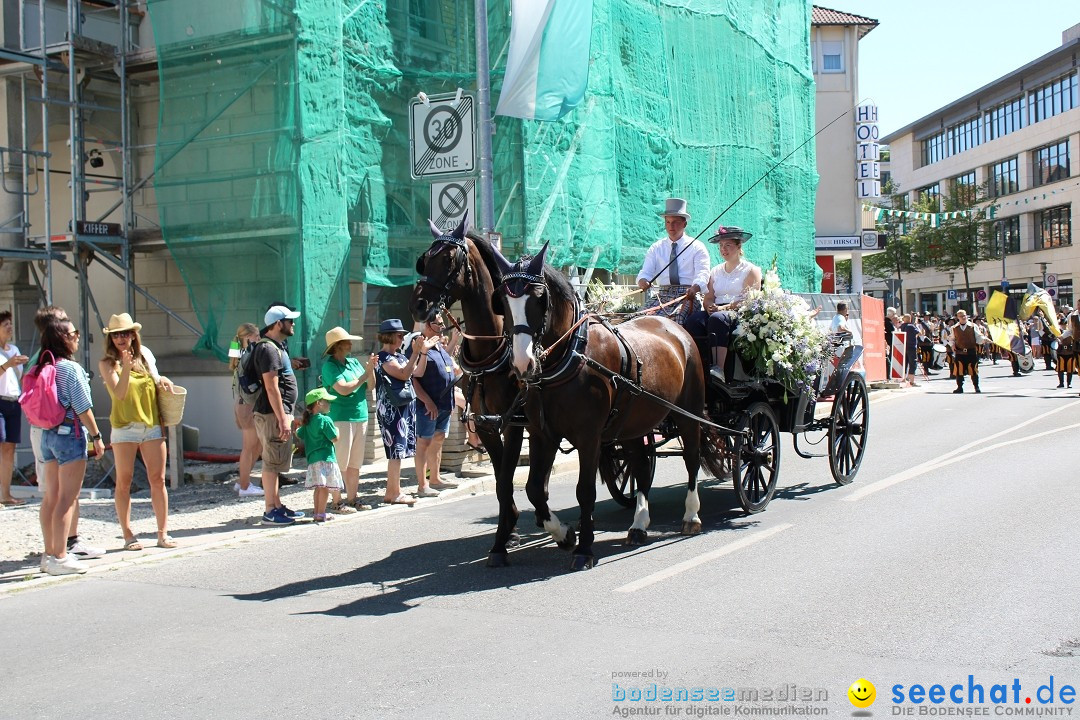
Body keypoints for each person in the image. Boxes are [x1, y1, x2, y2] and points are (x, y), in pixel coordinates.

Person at [28, 306, 103, 568]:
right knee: (67, 499)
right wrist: (96, 436)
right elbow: (83, 407)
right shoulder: (70, 369)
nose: (77, 336)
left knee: (51, 497)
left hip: (47, 435)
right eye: (73, 333)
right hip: (69, 435)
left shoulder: (42, 366)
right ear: (63, 338)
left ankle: (49, 554)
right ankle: (60, 556)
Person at [99, 313, 177, 550]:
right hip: (124, 427)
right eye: (116, 335)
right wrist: (125, 366)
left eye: (125, 333)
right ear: (111, 339)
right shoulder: (107, 363)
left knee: (158, 479)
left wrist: (163, 379)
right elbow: (120, 393)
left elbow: (154, 378)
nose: (121, 339)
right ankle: (127, 534)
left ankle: (163, 533)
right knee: (124, 481)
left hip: (151, 423)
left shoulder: (145, 356)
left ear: (133, 335)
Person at [251, 303, 307, 525]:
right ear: (277, 324)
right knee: (271, 463)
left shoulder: (278, 346)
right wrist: (283, 419)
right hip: (272, 414)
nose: (293, 324)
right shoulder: (268, 349)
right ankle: (269, 510)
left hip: (278, 413)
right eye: (289, 320)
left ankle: (277, 506)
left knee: (275, 462)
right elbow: (271, 387)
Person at [686, 226, 762, 381]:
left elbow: (748, 301)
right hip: (717, 310)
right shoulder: (715, 271)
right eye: (721, 246)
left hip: (739, 313)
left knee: (718, 319)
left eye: (728, 245)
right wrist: (709, 307)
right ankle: (695, 365)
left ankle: (718, 368)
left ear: (739, 246)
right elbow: (709, 297)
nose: (723, 249)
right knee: (693, 320)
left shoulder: (751, 270)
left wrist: (721, 308)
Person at [320, 325, 375, 513]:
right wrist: (364, 376)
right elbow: (343, 389)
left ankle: (352, 498)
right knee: (339, 462)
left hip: (360, 416)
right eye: (347, 341)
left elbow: (370, 386)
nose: (351, 343)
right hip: (340, 418)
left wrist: (371, 370)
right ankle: (336, 502)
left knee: (354, 463)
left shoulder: (353, 362)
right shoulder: (329, 366)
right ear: (338, 346)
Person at [407, 316, 462, 496]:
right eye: (438, 323)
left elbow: (445, 359)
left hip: (444, 404)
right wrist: (427, 401)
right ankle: (422, 485)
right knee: (424, 442)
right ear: (428, 325)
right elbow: (414, 377)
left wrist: (453, 341)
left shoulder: (437, 344)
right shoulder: (419, 343)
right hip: (428, 405)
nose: (442, 326)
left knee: (438, 440)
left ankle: (435, 479)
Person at [636, 198, 710, 326]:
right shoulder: (656, 247)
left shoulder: (697, 246)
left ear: (684, 224)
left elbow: (703, 273)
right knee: (639, 320)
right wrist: (643, 281)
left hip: (687, 295)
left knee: (675, 320)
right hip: (662, 294)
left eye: (675, 222)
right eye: (668, 222)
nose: (671, 226)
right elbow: (646, 272)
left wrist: (695, 287)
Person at [375, 319, 423, 506]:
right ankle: (392, 493)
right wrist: (416, 352)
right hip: (391, 409)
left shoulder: (400, 356)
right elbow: (404, 374)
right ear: (389, 336)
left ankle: (395, 491)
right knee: (395, 451)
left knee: (400, 450)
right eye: (399, 335)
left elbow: (416, 371)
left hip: (403, 407)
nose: (402, 338)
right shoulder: (384, 358)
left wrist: (422, 352)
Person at [295, 387, 344, 523]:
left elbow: (299, 433)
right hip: (326, 458)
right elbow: (334, 438)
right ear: (319, 403)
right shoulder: (325, 420)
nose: (330, 404)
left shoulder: (307, 421)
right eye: (327, 401)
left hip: (313, 460)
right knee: (325, 488)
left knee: (318, 487)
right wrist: (338, 430)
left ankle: (317, 513)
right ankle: (321, 514)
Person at [228, 323, 263, 497]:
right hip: (247, 403)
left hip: (241, 402)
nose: (259, 339)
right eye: (257, 336)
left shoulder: (238, 355)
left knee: (256, 445)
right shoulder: (249, 355)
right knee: (249, 447)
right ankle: (244, 486)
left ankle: (242, 481)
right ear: (248, 337)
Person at [0, 310, 29, 507]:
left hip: (13, 400)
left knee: (9, 448)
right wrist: (8, 365)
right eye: (5, 325)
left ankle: (6, 494)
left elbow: (19, 377)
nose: (10, 327)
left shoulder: (14, 349)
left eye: (10, 323)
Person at [951, 309, 981, 394]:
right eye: (961, 316)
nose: (963, 317)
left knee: (973, 370)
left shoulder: (973, 326)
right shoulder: (954, 328)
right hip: (960, 353)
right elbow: (952, 339)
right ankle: (959, 387)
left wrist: (983, 340)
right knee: (959, 370)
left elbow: (978, 337)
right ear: (958, 317)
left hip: (971, 351)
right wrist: (952, 345)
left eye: (964, 315)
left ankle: (976, 387)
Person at [1056, 312, 1079, 389]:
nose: (1063, 325)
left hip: (1070, 351)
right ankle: (1061, 383)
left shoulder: (1072, 332)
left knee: (1070, 368)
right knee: (1060, 368)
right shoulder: (1059, 331)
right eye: (1062, 324)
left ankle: (1069, 383)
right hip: (1061, 351)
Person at [899, 313, 919, 386]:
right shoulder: (911, 326)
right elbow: (920, 333)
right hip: (911, 346)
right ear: (910, 319)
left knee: (905, 362)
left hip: (904, 346)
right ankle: (911, 380)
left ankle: (903, 379)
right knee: (912, 363)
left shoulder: (902, 326)